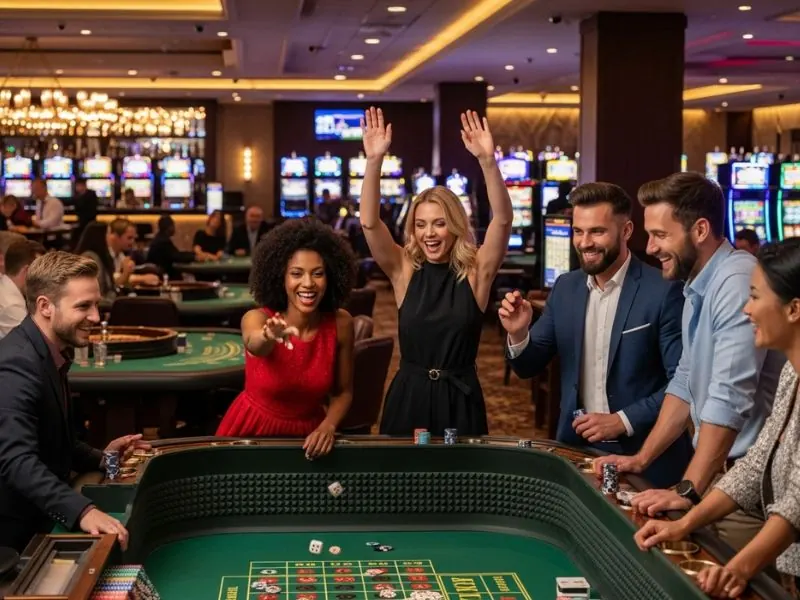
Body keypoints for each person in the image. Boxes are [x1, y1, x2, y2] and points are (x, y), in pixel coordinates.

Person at [595, 172, 785, 551]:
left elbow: (728, 398)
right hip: (719, 475)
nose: (650, 248)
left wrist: (689, 489)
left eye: (661, 236)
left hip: (745, 487)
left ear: (700, 230)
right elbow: (685, 382)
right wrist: (642, 457)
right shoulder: (697, 282)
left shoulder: (734, 281)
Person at [635, 238, 800, 598]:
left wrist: (739, 568)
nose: (747, 310)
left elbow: (798, 503)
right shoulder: (792, 372)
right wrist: (685, 522)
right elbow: (756, 463)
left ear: (794, 309)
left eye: (755, 296)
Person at [501, 182, 691, 487]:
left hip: (645, 453)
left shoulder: (665, 291)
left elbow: (683, 384)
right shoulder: (565, 288)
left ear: (626, 230)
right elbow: (528, 366)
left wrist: (622, 421)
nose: (585, 242)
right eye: (579, 231)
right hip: (575, 449)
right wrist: (519, 332)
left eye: (597, 232)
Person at [359, 107, 513, 436]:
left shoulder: (476, 271)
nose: (429, 233)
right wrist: (373, 163)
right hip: (409, 395)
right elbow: (369, 223)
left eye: (439, 224)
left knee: (461, 486)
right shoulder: (404, 269)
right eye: (421, 225)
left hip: (460, 397)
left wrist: (488, 162)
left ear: (455, 226)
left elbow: (502, 220)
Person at [0, 251, 149, 551]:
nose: (96, 316)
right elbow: (17, 461)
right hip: (13, 538)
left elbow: (55, 443)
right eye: (83, 306)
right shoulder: (16, 364)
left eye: (96, 304)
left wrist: (104, 458)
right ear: (45, 306)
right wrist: (83, 511)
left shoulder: (47, 350)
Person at [216, 218, 356, 458]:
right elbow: (256, 344)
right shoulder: (256, 318)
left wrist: (328, 425)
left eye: (318, 274)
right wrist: (269, 335)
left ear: (330, 276)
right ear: (281, 277)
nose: (308, 283)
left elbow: (343, 392)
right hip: (251, 434)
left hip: (310, 437)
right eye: (296, 273)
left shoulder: (341, 324)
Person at [0, 240, 46, 339]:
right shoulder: (11, 305)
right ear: (27, 271)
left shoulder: (7, 287)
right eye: (41, 272)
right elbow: (37, 342)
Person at [146, 215, 195, 280]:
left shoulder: (160, 238)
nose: (174, 228)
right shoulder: (163, 242)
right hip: (165, 277)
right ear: (169, 227)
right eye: (173, 226)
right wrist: (194, 256)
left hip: (160, 275)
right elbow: (177, 256)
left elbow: (175, 254)